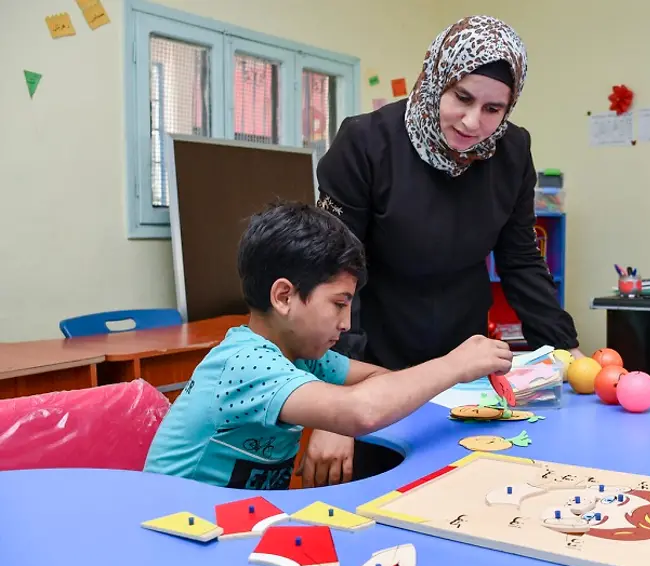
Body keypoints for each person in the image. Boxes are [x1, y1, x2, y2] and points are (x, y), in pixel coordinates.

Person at [306, 14, 585, 486]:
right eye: (462, 97)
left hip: (463, 352)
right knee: (381, 493)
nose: (475, 122)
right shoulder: (366, 143)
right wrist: (334, 405)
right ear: (436, 79)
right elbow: (334, 274)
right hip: (373, 349)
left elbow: (519, 258)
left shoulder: (512, 152)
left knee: (464, 485)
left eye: (494, 109)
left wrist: (564, 348)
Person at [142, 201, 513, 490]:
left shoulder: (303, 357)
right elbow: (362, 410)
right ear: (284, 297)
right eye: (338, 303)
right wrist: (454, 364)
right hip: (177, 537)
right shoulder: (245, 364)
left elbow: (379, 379)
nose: (346, 323)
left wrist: (337, 418)